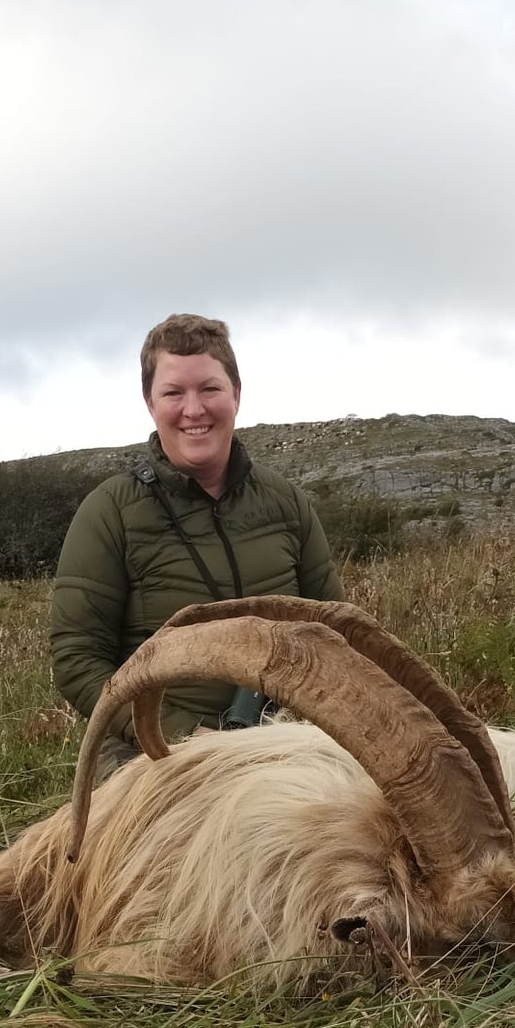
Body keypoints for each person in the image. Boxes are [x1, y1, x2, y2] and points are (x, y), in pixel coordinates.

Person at [49, 313, 342, 775]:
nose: (193, 409)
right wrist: (180, 735)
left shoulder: (287, 503)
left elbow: (336, 635)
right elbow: (77, 659)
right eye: (173, 393)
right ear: (150, 403)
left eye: (209, 389)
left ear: (236, 395)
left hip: (287, 744)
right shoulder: (110, 511)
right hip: (154, 756)